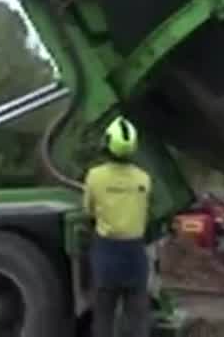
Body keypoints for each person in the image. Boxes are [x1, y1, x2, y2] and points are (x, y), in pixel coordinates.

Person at [83, 116, 153, 337]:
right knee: (137, 319)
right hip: (135, 255)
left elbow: (88, 211)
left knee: (103, 317)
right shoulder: (144, 179)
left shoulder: (95, 177)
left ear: (107, 143)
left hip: (107, 254)